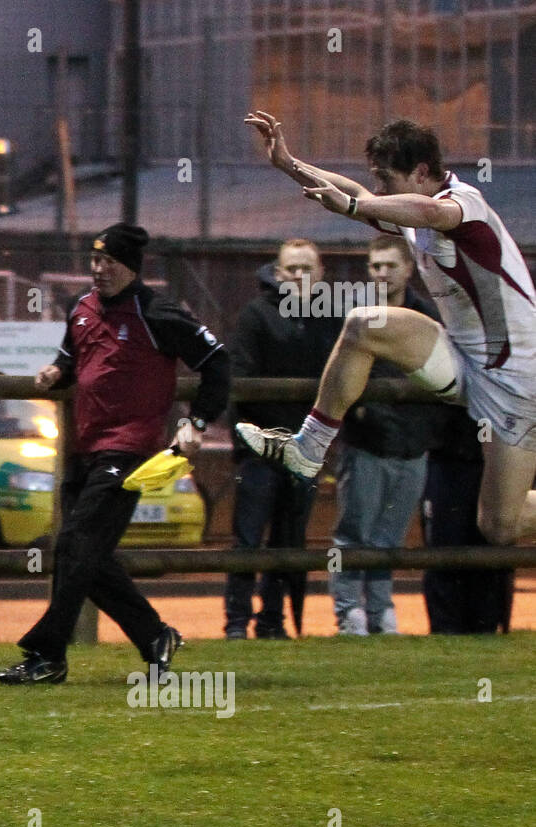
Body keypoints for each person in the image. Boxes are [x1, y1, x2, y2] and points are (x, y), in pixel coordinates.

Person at [237, 113, 536, 548]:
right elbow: (357, 193)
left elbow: (424, 210)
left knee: (499, 527)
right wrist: (288, 163)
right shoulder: (410, 208)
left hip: (517, 380)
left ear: (420, 173)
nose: (377, 190)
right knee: (363, 323)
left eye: (385, 179)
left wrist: (357, 207)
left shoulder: (462, 202)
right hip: (465, 358)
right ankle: (310, 446)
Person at [0, 224, 231, 684]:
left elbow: (217, 362)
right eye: (95, 260)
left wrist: (197, 422)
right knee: (85, 554)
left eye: (109, 262)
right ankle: (154, 636)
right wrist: (54, 372)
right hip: (84, 448)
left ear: (131, 267)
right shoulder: (80, 309)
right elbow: (72, 360)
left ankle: (47, 654)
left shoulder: (159, 313)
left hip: (129, 450)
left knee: (75, 545)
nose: (98, 269)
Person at [225, 239, 339, 640]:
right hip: (261, 451)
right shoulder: (255, 316)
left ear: (321, 273)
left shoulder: (330, 319)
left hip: (304, 453)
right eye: (292, 268)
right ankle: (237, 624)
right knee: (248, 538)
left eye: (307, 268)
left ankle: (273, 621)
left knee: (290, 539)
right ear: (277, 273)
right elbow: (239, 380)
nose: (299, 276)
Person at [329, 236, 442, 635]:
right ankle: (348, 612)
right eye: (375, 265)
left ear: (408, 268)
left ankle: (380, 610)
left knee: (388, 538)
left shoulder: (427, 315)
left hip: (412, 446)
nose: (381, 273)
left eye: (390, 265)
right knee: (352, 534)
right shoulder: (355, 315)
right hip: (367, 443)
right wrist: (363, 412)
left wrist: (424, 429)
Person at [421, 404, 515, 634]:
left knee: (492, 544)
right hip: (450, 456)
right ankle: (447, 627)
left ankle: (487, 625)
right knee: (445, 545)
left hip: (497, 457)